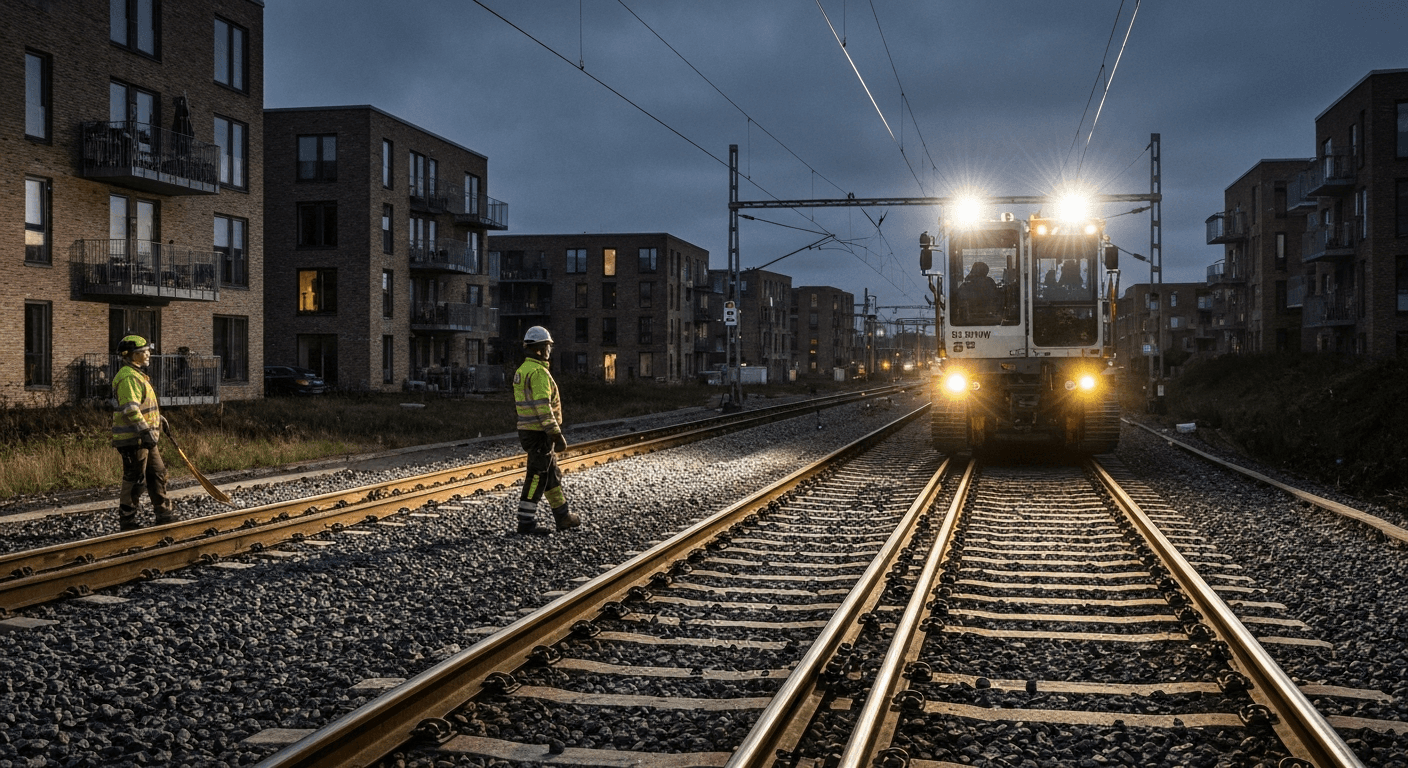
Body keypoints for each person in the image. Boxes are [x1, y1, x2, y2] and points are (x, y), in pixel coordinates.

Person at [511, 326, 580, 535]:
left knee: (551, 475)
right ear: (540, 349)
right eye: (548, 346)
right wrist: (555, 434)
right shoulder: (538, 373)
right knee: (537, 476)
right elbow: (543, 407)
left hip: (528, 430)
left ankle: (563, 516)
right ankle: (525, 522)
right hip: (539, 433)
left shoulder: (522, 371)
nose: (550, 350)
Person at [111, 334, 173, 530]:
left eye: (147, 351)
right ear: (130, 355)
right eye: (143, 352)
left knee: (157, 473)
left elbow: (142, 405)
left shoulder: (137, 375)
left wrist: (158, 419)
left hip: (146, 438)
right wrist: (145, 431)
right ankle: (127, 520)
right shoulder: (128, 377)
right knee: (135, 478)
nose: (148, 354)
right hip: (134, 439)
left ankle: (164, 514)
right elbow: (130, 409)